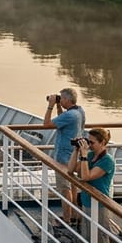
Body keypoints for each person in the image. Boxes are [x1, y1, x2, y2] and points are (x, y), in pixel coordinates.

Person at [69, 127, 117, 243]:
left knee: (102, 242)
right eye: (87, 141)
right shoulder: (90, 156)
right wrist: (77, 151)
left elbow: (86, 177)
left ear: (103, 143)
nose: (89, 145)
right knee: (90, 240)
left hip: (100, 206)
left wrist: (83, 155)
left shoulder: (107, 161)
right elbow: (70, 170)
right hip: (88, 203)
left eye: (92, 142)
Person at [42, 88, 85, 226]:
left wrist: (50, 106)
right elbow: (62, 121)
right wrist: (58, 106)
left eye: (61, 98)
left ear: (67, 99)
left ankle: (66, 219)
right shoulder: (79, 111)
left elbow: (46, 124)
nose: (60, 100)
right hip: (73, 154)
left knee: (64, 188)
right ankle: (74, 215)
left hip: (63, 157)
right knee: (72, 186)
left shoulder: (70, 115)